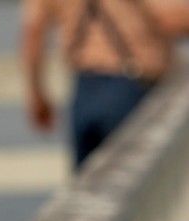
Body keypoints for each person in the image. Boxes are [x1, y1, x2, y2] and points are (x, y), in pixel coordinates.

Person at [22, 0, 189, 168]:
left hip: (84, 92)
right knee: (137, 181)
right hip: (132, 92)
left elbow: (33, 33)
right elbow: (168, 18)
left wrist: (37, 95)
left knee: (92, 185)